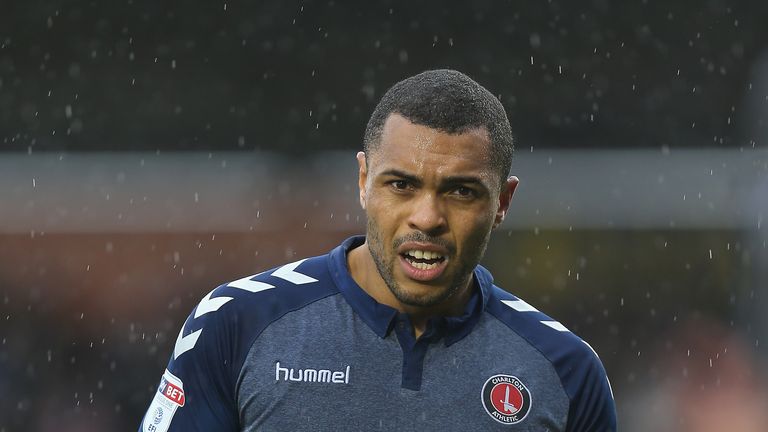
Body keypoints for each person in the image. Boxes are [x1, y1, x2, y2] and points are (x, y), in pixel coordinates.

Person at [139, 69, 617, 431]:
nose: (427, 218)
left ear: (503, 202)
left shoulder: (564, 369)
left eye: (461, 192)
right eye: (402, 185)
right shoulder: (237, 323)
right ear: (364, 182)